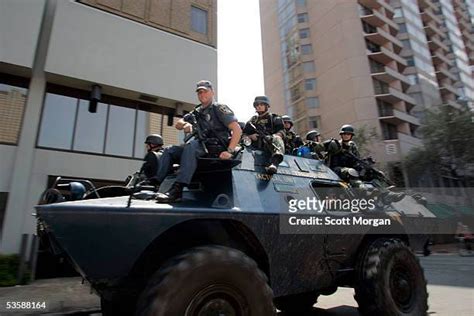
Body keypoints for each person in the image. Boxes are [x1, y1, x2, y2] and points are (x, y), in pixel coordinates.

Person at [155, 80, 242, 202]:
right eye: (199, 92)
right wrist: (185, 124)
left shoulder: (219, 108)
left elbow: (237, 130)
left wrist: (230, 151)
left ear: (212, 92)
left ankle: (178, 189)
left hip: (215, 148)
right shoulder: (196, 112)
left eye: (205, 91)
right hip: (199, 147)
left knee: (191, 146)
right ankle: (155, 184)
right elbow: (178, 124)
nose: (202, 95)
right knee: (170, 150)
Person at [243, 96, 285, 174]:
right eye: (257, 105)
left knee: (277, 138)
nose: (259, 106)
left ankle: (274, 163)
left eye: (261, 104)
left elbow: (282, 131)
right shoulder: (252, 121)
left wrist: (272, 137)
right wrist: (251, 136)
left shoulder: (274, 118)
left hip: (270, 145)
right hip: (254, 146)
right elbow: (243, 134)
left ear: (267, 106)